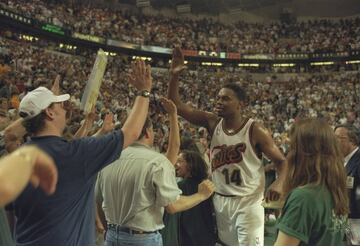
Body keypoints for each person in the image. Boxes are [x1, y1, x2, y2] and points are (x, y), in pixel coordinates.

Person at [5, 60, 153, 246]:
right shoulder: (77, 154)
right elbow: (131, 132)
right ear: (50, 113)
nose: (65, 108)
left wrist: (40, 106)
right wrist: (144, 92)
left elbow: (11, 213)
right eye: (59, 105)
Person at [168, 47, 286, 246]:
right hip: (220, 200)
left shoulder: (255, 130)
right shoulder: (212, 122)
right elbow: (177, 106)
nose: (219, 102)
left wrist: (279, 183)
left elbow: (282, 162)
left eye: (226, 98)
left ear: (240, 104)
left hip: (248, 201)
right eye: (218, 97)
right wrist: (174, 76)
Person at [95, 114, 215, 246]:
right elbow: (172, 205)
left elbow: (99, 201)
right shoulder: (157, 161)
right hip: (142, 238)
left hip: (112, 235)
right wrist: (201, 195)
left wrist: (112, 231)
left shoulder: (108, 158)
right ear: (147, 132)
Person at [275, 118, 348, 246]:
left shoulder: (303, 198)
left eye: (293, 148)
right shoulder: (336, 189)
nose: (289, 155)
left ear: (302, 154)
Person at [162, 150, 217, 246]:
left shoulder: (180, 186)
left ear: (190, 165)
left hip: (187, 239)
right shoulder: (207, 185)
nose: (176, 164)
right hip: (208, 238)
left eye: (180, 161)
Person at [334, 124, 360, 245]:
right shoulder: (343, 161)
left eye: (339, 138)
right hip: (347, 219)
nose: (335, 141)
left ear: (353, 141)